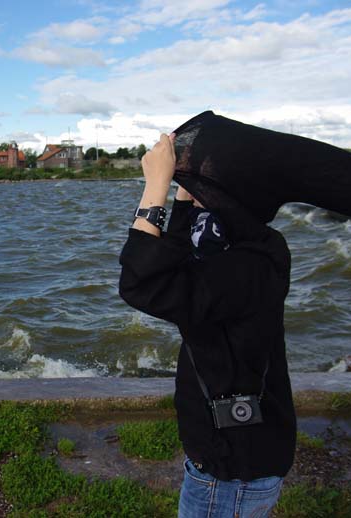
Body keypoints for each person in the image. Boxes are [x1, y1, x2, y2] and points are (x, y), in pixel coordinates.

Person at [119, 133, 296, 517]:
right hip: (242, 453)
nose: (198, 199)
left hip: (232, 472)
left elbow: (140, 284)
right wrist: (186, 195)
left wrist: (155, 189)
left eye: (205, 189)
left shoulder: (240, 268)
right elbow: (182, 259)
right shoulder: (255, 244)